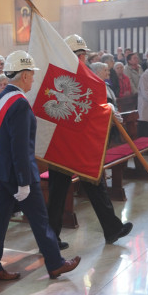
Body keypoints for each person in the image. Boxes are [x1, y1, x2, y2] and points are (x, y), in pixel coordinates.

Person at [0, 50, 81, 281]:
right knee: (40, 219)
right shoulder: (20, 104)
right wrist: (24, 181)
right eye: (32, 74)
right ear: (24, 75)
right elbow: (20, 147)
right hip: (18, 174)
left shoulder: (0, 99)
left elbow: (0, 139)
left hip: (1, 171)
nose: (34, 79)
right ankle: (55, 263)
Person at [47, 36, 133, 248]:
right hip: (62, 147)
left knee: (96, 185)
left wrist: (107, 108)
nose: (84, 58)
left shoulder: (80, 74)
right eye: (82, 54)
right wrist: (107, 110)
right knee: (58, 194)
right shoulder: (63, 74)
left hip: (79, 145)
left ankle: (112, 229)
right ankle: (50, 239)